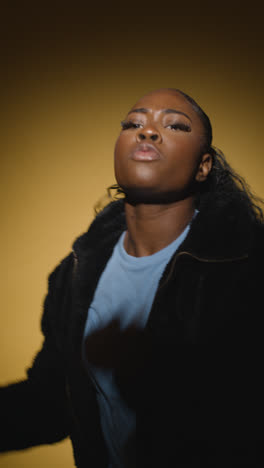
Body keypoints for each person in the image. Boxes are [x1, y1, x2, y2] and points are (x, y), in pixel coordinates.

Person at [0, 87, 264, 467]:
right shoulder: (74, 273)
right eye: (134, 123)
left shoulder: (248, 268)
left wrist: (154, 371)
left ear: (203, 166)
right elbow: (53, 401)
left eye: (174, 125)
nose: (148, 132)